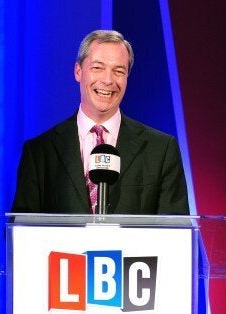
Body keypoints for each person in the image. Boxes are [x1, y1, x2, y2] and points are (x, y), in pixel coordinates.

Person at [12, 30, 189, 215]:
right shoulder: (40, 152)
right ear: (78, 71)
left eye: (119, 71)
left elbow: (177, 232)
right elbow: (20, 232)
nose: (108, 80)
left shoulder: (161, 149)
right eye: (97, 68)